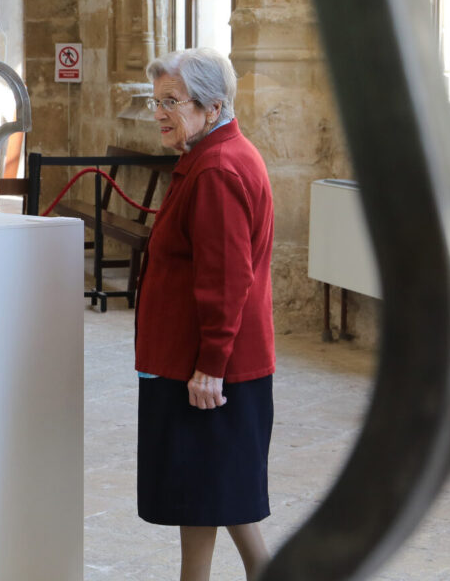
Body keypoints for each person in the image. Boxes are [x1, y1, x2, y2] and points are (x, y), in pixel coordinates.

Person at [136, 48, 276, 581]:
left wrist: (210, 365)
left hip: (210, 369)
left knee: (211, 489)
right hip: (201, 363)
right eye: (157, 101)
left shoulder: (217, 169)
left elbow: (224, 280)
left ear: (213, 106)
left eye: (172, 101)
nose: (159, 113)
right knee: (212, 491)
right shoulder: (215, 155)